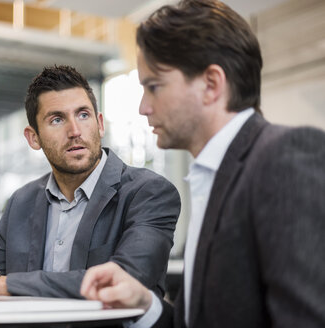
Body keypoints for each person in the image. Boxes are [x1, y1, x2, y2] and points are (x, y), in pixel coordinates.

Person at [81, 0, 325, 327]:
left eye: (153, 86)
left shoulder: (283, 157)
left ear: (211, 84)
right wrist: (144, 303)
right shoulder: (212, 177)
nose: (143, 107)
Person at [0, 65, 181, 300]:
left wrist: (3, 285)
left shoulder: (149, 193)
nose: (74, 131)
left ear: (100, 124)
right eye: (57, 120)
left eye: (83, 115)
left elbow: (124, 280)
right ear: (33, 138)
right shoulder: (21, 202)